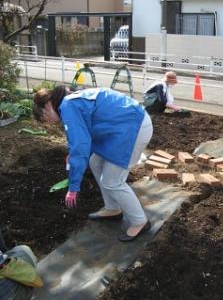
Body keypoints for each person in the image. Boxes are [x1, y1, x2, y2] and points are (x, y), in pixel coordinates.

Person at [33, 86, 153, 242]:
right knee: (94, 161)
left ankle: (140, 221)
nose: (49, 122)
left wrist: (73, 187)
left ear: (48, 105)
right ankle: (113, 209)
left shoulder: (67, 106)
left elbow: (81, 146)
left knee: (112, 181)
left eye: (44, 117)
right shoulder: (70, 102)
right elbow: (84, 136)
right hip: (122, 127)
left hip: (133, 128)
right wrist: (74, 153)